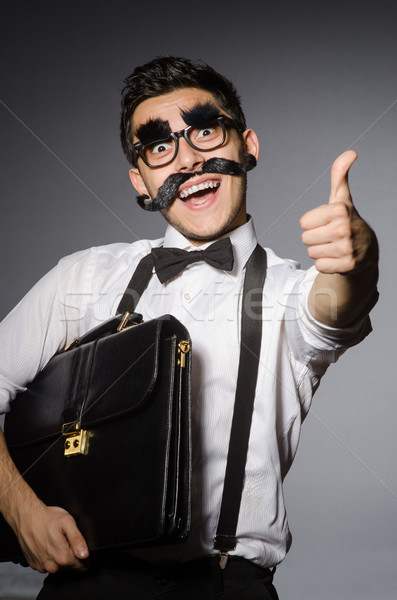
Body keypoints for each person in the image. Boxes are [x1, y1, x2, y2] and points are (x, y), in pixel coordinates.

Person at [0, 56, 379, 599]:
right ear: (140, 179)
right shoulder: (82, 276)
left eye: (205, 130)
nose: (190, 159)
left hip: (228, 587)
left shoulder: (291, 291)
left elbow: (336, 305)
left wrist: (358, 259)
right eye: (160, 146)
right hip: (86, 583)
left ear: (247, 145)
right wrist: (22, 511)